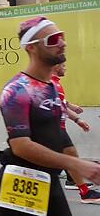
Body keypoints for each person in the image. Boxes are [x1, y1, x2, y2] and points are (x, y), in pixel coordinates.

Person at [0, 17, 100, 216]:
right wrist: (76, 164)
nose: (62, 43)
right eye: (53, 40)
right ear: (31, 48)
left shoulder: (50, 86)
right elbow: (21, 145)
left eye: (62, 37)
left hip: (48, 177)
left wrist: (77, 120)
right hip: (23, 181)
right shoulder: (17, 90)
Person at [51, 62, 100, 204]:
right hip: (54, 128)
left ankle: (83, 190)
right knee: (69, 157)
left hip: (58, 127)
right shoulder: (52, 84)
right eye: (63, 65)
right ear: (56, 66)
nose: (66, 67)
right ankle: (82, 190)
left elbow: (61, 104)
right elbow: (59, 106)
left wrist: (75, 115)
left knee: (69, 157)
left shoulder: (55, 84)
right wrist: (77, 119)